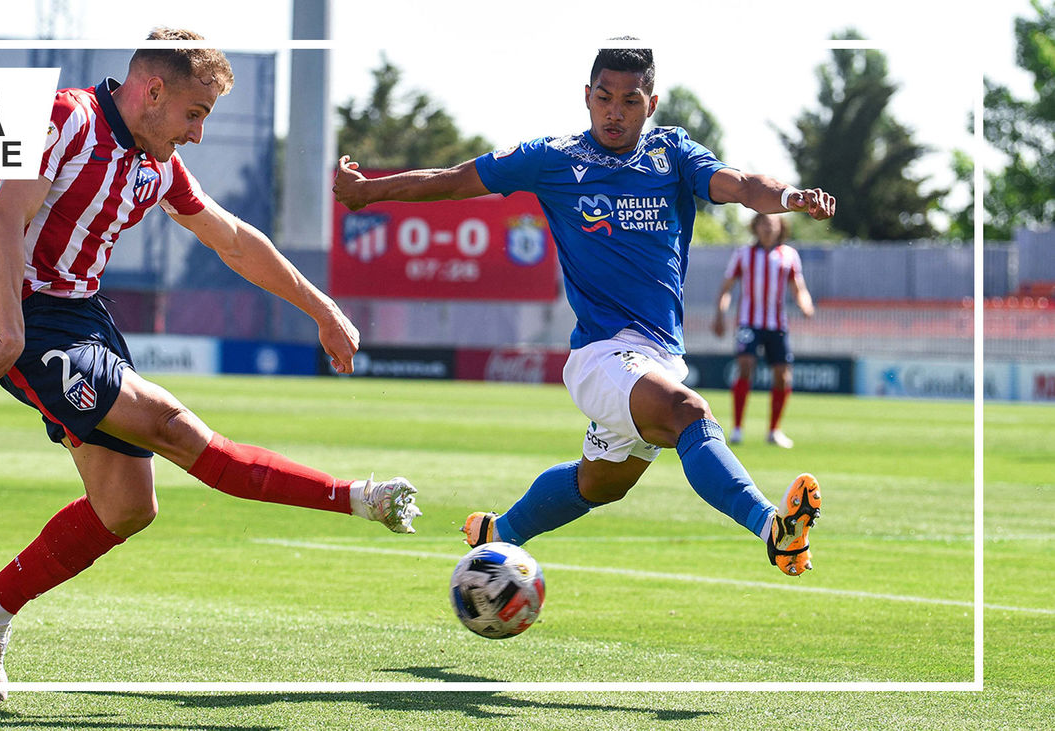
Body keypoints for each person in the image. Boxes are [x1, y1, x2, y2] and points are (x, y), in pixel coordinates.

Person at [0, 28, 420, 701]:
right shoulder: (62, 118)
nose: (197, 134)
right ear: (153, 90)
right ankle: (357, 496)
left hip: (83, 320)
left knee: (127, 507)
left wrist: (323, 309)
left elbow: (232, 240)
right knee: (171, 424)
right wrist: (13, 333)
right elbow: (4, 221)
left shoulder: (155, 163)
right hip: (27, 316)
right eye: (194, 115)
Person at [334, 42, 831, 583]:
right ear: (586, 98)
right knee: (689, 414)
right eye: (604, 98)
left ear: (652, 103)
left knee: (600, 485)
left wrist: (791, 197)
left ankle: (498, 533)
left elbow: (738, 185)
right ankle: (774, 531)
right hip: (601, 356)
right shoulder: (554, 157)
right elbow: (455, 180)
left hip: (660, 356)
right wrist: (368, 193)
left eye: (630, 100)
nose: (615, 111)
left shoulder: (675, 154)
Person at [712, 213, 815, 448]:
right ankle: (737, 428)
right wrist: (719, 314)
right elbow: (726, 288)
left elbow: (799, 288)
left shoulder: (789, 255)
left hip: (777, 324)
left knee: (782, 375)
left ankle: (774, 430)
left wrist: (806, 305)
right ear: (756, 227)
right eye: (764, 224)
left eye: (773, 224)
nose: (768, 228)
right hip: (749, 322)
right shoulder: (743, 254)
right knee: (746, 366)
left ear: (781, 228)